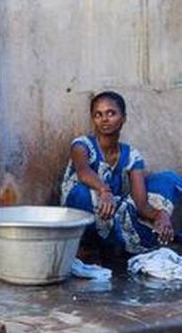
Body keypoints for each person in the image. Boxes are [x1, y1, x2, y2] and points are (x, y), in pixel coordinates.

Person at [61, 91, 182, 257]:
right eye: (98, 114)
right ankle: (87, 245)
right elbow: (83, 173)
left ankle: (114, 243)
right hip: (84, 208)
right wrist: (104, 190)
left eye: (111, 113)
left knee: (168, 179)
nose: (104, 119)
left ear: (123, 118)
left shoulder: (132, 155)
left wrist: (161, 214)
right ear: (93, 119)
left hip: (115, 211)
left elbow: (142, 204)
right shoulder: (82, 145)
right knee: (82, 193)